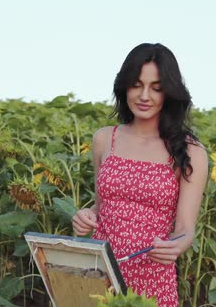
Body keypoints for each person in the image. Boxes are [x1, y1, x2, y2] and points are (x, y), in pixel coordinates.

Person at [72, 43, 208, 307]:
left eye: (156, 88)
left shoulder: (190, 151)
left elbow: (185, 229)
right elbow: (101, 208)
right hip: (100, 277)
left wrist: (176, 246)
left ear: (169, 92)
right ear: (124, 86)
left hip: (153, 281)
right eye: (136, 85)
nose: (145, 95)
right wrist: (85, 216)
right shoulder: (104, 139)